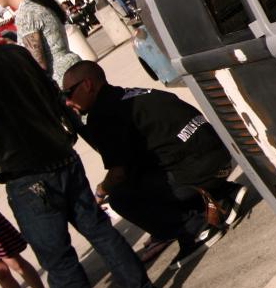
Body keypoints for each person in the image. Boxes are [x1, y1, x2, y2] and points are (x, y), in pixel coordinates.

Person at [0, 41, 165, 288]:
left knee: (60, 259)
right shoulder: (14, 52)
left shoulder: (13, 53)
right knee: (100, 233)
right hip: (58, 156)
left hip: (26, 173)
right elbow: (55, 96)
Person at [62, 61, 248, 270]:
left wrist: (99, 192)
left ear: (87, 85)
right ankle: (225, 195)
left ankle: (197, 230)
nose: (67, 102)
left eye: (68, 93)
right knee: (147, 168)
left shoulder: (101, 115)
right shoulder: (130, 94)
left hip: (199, 171)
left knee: (121, 197)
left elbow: (118, 174)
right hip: (222, 158)